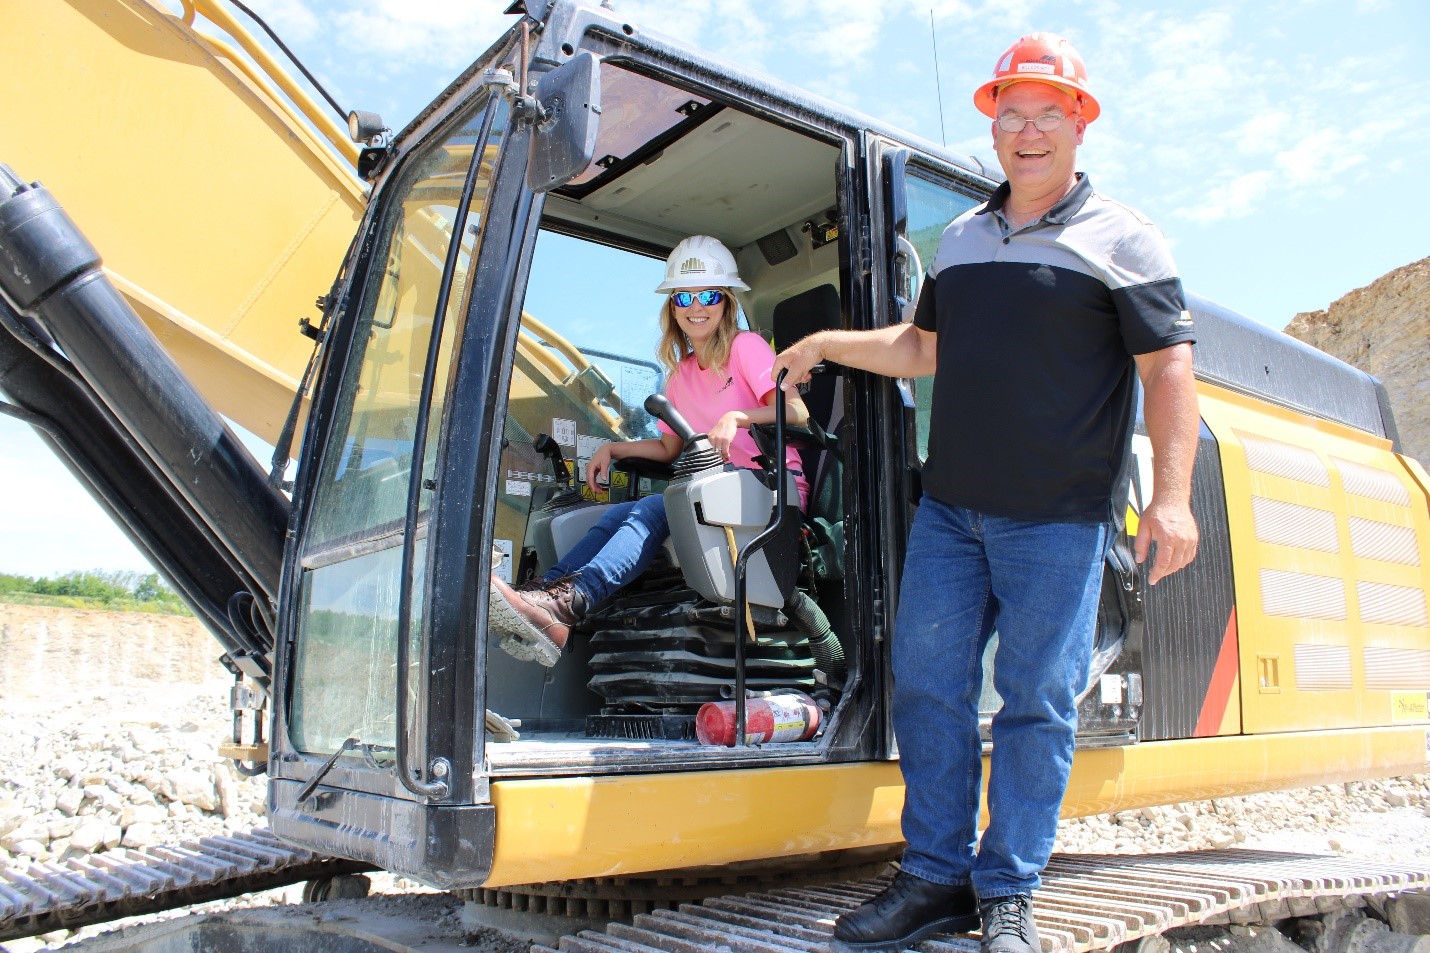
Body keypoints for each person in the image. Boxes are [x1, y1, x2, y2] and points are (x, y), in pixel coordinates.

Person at [773, 33, 1200, 953]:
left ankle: (1008, 888)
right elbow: (922, 349)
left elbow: (1167, 366)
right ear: (994, 123)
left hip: (1059, 517)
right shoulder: (962, 237)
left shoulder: (1123, 236)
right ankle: (934, 876)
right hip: (951, 514)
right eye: (1012, 112)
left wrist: (1173, 495)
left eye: (1050, 112)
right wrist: (829, 344)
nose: (1029, 129)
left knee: (1036, 701)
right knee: (927, 687)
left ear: (1079, 123)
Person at [490, 235, 810, 667]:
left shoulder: (745, 348)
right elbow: (669, 447)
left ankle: (574, 601)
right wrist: (612, 447)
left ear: (726, 302)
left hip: (770, 492)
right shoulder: (679, 375)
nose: (697, 307)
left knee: (654, 509)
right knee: (617, 513)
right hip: (715, 494)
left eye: (709, 295)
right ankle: (547, 597)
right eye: (685, 297)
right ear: (673, 307)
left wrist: (740, 418)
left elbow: (797, 412)